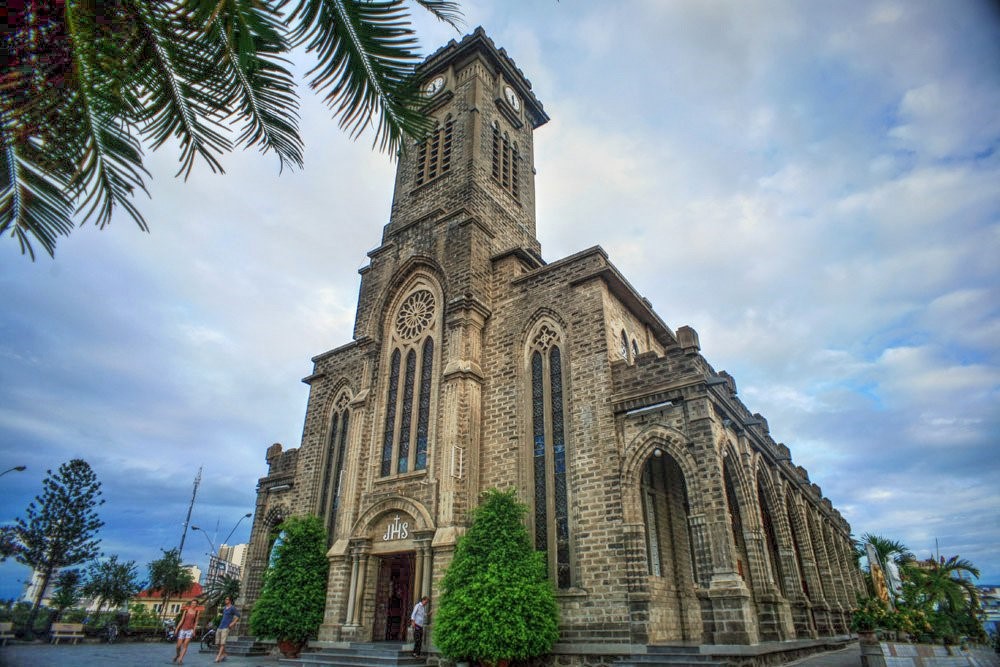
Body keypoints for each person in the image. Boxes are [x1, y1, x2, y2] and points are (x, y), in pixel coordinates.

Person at [173, 599, 201, 664]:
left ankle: (180, 659)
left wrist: (194, 631)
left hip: (190, 630)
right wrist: (177, 628)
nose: (193, 604)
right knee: (178, 646)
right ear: (190, 604)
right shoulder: (186, 610)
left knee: (185, 645)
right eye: (192, 603)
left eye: (194, 603)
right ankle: (177, 655)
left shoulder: (197, 612)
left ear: (196, 605)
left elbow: (196, 622)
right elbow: (182, 620)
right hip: (183, 629)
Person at [214, 596, 241, 663]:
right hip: (220, 626)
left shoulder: (232, 608)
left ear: (230, 600)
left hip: (226, 627)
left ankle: (218, 657)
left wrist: (233, 623)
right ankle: (224, 654)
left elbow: (238, 616)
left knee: (222, 643)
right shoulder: (224, 608)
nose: (225, 600)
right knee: (218, 643)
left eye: (227, 599)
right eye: (225, 599)